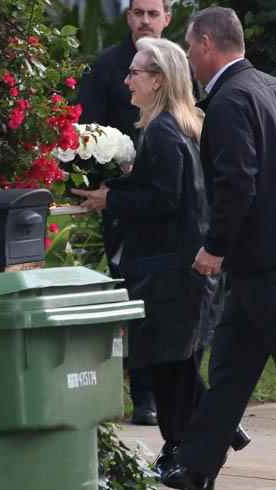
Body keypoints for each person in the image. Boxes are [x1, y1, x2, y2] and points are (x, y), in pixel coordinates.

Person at [72, 36, 249, 490]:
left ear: (158, 81)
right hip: (178, 269)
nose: (126, 79)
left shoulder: (165, 131)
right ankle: (211, 439)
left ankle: (189, 455)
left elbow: (165, 198)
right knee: (176, 366)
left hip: (169, 272)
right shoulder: (179, 126)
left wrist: (111, 198)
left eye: (135, 73)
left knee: (170, 369)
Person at [162, 7, 276, 490]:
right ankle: (196, 468)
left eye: (190, 46)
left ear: (204, 44)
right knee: (231, 370)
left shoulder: (229, 99)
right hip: (271, 257)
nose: (191, 60)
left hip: (268, 260)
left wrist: (215, 246)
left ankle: (196, 465)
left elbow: (238, 181)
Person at [76, 0, 173, 426]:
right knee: (132, 298)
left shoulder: (178, 64)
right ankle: (145, 394)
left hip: (171, 204)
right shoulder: (106, 67)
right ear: (127, 17)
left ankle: (177, 390)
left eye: (153, 13)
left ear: (168, 18)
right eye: (138, 12)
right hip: (122, 204)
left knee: (169, 303)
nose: (145, 20)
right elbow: (85, 133)